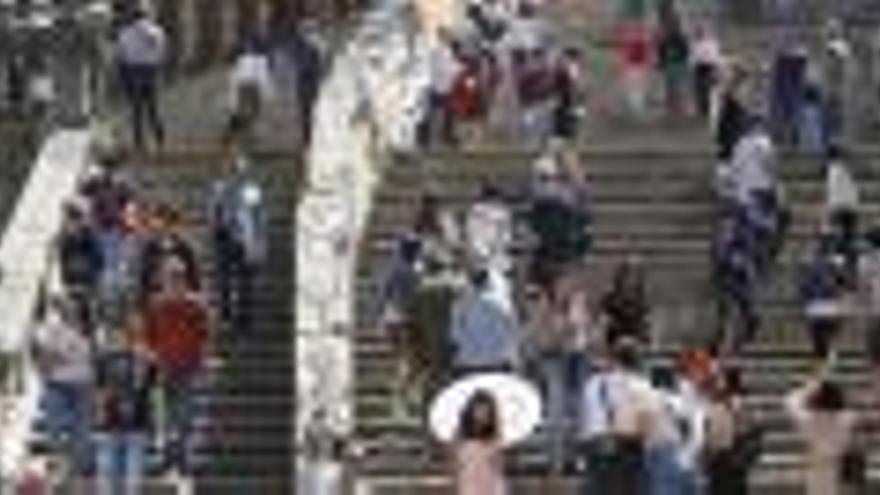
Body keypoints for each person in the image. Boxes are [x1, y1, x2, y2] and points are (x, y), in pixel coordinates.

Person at [140, 258, 211, 472]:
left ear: (185, 279)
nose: (173, 282)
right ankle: (167, 456)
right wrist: (151, 355)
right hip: (165, 366)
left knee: (185, 413)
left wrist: (202, 359)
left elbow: (204, 335)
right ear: (163, 279)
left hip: (189, 366)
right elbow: (147, 336)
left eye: (178, 277)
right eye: (170, 277)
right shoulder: (156, 304)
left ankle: (183, 456)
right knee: (164, 413)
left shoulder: (196, 305)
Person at [579, 337, 655, 495]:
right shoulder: (640, 386)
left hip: (595, 446)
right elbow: (645, 423)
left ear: (614, 358)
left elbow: (585, 419)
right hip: (625, 449)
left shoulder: (593, 383)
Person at [32, 295, 94, 476]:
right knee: (55, 426)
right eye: (67, 307)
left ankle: (78, 468)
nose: (71, 311)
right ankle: (59, 463)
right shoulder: (50, 328)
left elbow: (91, 358)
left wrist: (60, 355)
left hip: (83, 384)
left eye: (74, 308)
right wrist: (56, 358)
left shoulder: (88, 329)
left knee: (82, 430)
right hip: (57, 384)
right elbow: (45, 356)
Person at [93, 328, 158, 495]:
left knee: (109, 473)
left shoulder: (104, 360)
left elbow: (99, 391)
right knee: (130, 473)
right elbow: (152, 388)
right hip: (134, 421)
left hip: (114, 421)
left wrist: (98, 415)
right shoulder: (144, 360)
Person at [208, 155, 268, 332]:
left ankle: (244, 317)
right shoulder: (219, 188)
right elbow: (213, 212)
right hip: (225, 237)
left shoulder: (252, 190)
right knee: (224, 280)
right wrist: (214, 233)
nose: (236, 172)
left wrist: (259, 243)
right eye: (233, 168)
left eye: (240, 168)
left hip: (244, 238)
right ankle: (225, 314)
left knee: (245, 282)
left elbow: (259, 217)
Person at [786, 376, 857, 495]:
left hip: (817, 467)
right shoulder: (848, 419)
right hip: (839, 467)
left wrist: (808, 389)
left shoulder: (809, 420)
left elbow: (790, 401)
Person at [449, 269, 521, 376]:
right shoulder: (502, 302)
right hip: (498, 361)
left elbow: (455, 334)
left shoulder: (461, 303)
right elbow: (513, 330)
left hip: (469, 362)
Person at [115, 5, 167, 150]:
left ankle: (139, 141)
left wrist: (123, 77)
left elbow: (121, 55)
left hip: (134, 71)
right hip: (151, 70)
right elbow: (162, 50)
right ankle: (159, 137)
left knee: (136, 109)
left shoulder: (125, 33)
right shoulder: (157, 31)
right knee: (153, 107)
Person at [704, 367, 756, 495]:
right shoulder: (743, 404)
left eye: (719, 380)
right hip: (735, 460)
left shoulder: (725, 404)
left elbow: (716, 435)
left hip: (724, 459)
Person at [137, 203, 200, 309]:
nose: (155, 226)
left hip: (180, 300)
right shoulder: (150, 249)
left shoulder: (183, 248)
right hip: (158, 300)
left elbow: (193, 277)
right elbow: (145, 280)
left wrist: (194, 294)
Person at [56, 200, 104, 338]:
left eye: (68, 215)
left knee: (86, 310)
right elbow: (63, 258)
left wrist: (91, 276)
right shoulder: (67, 234)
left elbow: (98, 258)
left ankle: (88, 334)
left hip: (86, 279)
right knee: (75, 309)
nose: (66, 219)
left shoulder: (88, 233)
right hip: (74, 279)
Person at [224, 35, 276, 149]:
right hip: (251, 89)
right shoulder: (259, 60)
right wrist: (269, 93)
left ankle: (236, 138)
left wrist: (231, 100)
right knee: (249, 114)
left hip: (245, 89)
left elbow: (234, 79)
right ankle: (242, 139)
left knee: (243, 114)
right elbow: (263, 78)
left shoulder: (241, 60)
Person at [452, 391, 507, 495]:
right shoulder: (460, 436)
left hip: (490, 488)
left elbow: (498, 470)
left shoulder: (494, 438)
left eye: (487, 412)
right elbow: (456, 468)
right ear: (471, 410)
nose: (483, 415)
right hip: (468, 487)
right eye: (480, 409)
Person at [465, 183, 513, 275]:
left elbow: (505, 234)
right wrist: (484, 252)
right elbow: (473, 234)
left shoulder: (503, 212)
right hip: (480, 256)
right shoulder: (476, 211)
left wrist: (498, 249)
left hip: (498, 255)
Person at [600, 257, 650, 346]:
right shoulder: (618, 296)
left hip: (626, 319)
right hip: (625, 319)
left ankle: (630, 268)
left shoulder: (636, 296)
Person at [691, 25, 724, 120]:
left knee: (710, 88)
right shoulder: (695, 44)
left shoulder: (711, 43)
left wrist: (715, 66)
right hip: (699, 68)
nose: (699, 34)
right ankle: (702, 109)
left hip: (709, 67)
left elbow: (714, 56)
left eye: (700, 32)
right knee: (700, 89)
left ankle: (712, 109)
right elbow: (693, 58)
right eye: (697, 32)